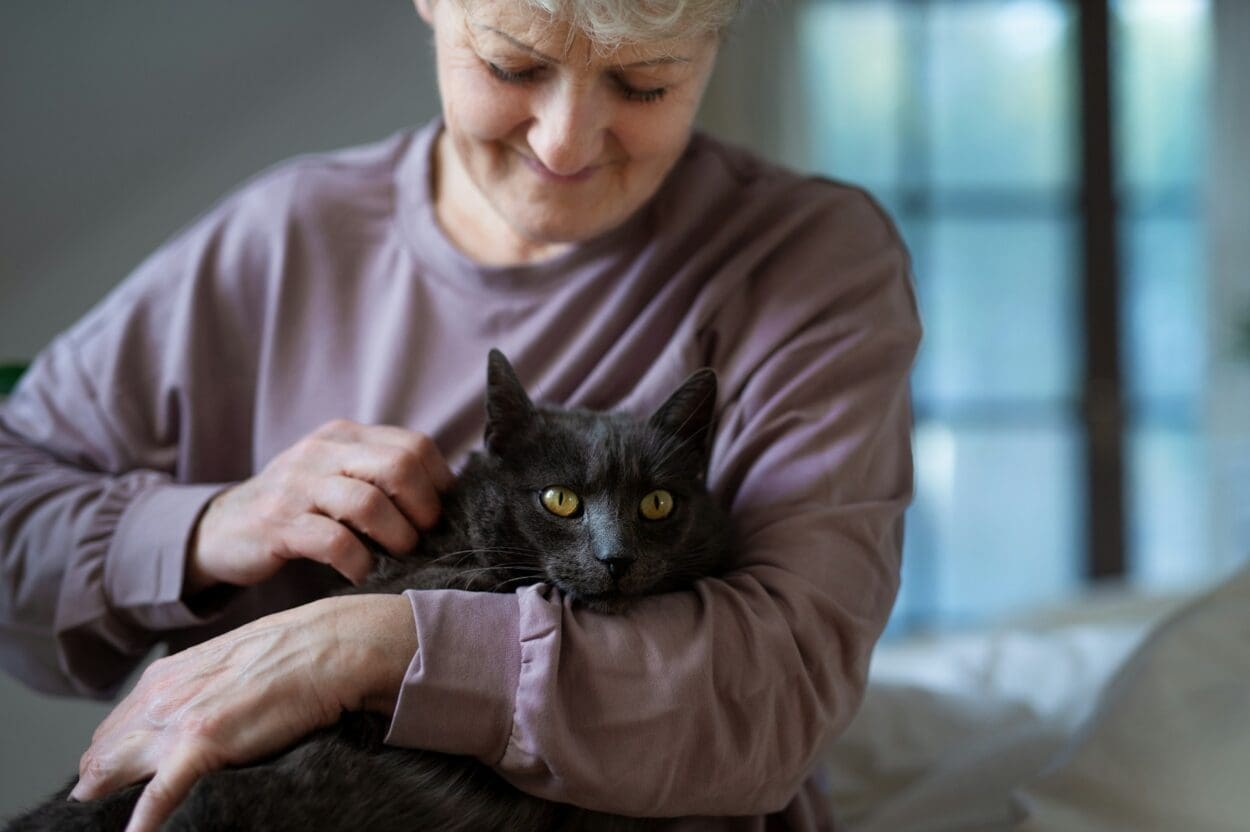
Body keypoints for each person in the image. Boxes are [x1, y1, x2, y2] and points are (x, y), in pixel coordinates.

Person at [0, 0, 921, 830]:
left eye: (644, 82)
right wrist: (201, 525)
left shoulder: (807, 264)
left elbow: (778, 692)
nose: (565, 142)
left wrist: (369, 645)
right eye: (514, 66)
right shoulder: (284, 238)